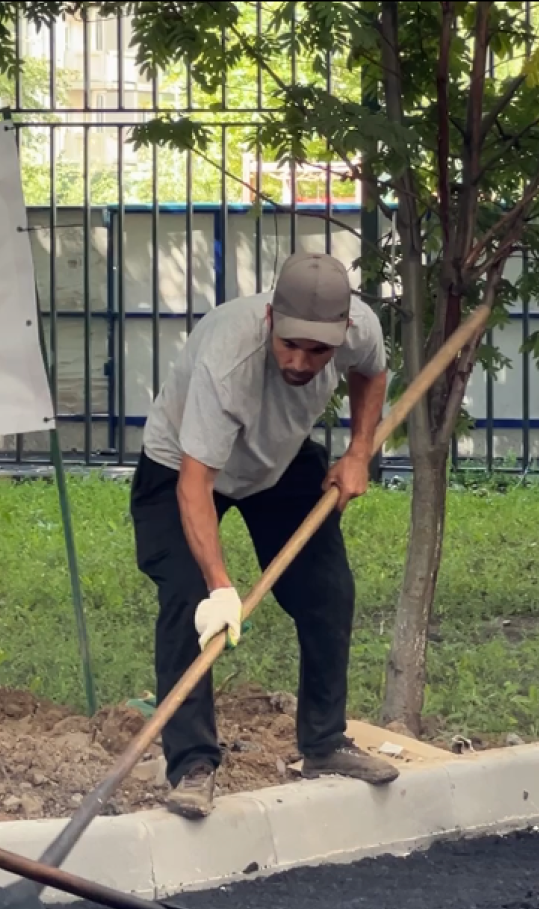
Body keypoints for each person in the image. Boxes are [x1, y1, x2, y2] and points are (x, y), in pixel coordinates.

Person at [133, 251, 398, 821]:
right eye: (290, 345)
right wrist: (220, 587)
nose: (301, 362)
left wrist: (359, 452)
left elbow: (372, 373)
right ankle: (192, 764)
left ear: (342, 331)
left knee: (328, 591)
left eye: (318, 351)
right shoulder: (229, 359)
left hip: (276, 462)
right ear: (271, 318)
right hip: (181, 466)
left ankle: (324, 742)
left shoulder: (362, 329)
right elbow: (195, 484)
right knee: (190, 602)